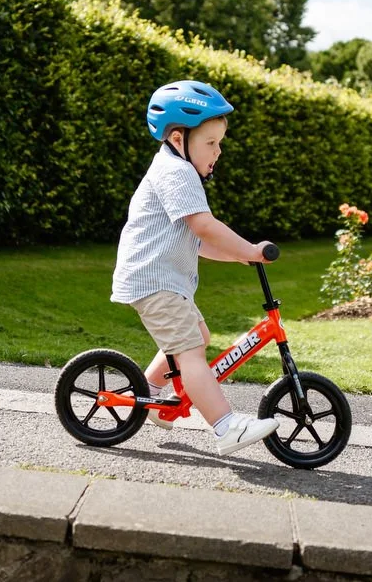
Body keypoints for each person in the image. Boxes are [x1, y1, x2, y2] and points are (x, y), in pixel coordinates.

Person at [110, 79, 281, 456]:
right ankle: (225, 426)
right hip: (154, 280)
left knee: (196, 337)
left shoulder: (176, 169)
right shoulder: (176, 173)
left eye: (219, 143)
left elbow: (199, 242)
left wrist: (240, 255)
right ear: (177, 139)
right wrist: (251, 248)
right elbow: (204, 226)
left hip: (162, 279)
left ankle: (151, 393)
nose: (218, 151)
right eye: (210, 143)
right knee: (190, 353)